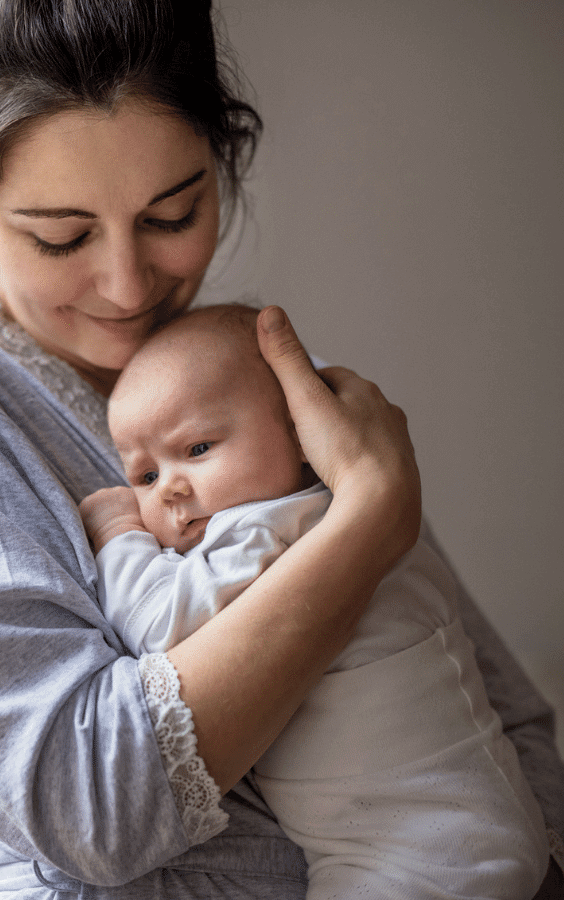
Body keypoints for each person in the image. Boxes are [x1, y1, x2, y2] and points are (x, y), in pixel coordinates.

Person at [0, 1, 564, 896]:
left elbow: (501, 714)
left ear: (225, 156)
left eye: (174, 214)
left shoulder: (258, 374)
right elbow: (89, 810)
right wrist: (366, 521)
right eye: (63, 236)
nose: (129, 287)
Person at [79, 303, 549, 898]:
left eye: (197, 448)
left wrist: (120, 537)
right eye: (144, 476)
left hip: (417, 848)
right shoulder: (333, 515)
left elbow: (159, 627)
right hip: (451, 826)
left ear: (303, 432)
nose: (170, 487)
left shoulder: (271, 530)